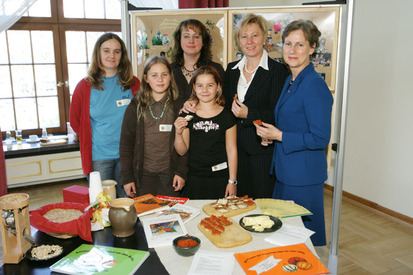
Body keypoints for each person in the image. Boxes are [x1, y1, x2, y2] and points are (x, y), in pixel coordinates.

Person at [254, 20, 333, 246]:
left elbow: (320, 138)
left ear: (312, 47)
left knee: (301, 242)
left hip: (303, 177)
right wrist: (271, 135)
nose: (292, 50)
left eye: (300, 45)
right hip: (286, 171)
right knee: (285, 239)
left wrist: (280, 136)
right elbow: (292, 125)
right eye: (288, 44)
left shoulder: (314, 85)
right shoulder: (291, 79)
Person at [222, 14, 289, 198]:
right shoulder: (231, 70)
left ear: (264, 38)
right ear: (238, 40)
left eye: (255, 35)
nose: (249, 41)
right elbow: (224, 108)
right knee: (238, 206)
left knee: (262, 206)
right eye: (244, 36)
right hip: (234, 150)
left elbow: (278, 114)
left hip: (262, 151)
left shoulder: (277, 71)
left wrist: (249, 114)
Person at [70, 33, 140, 198]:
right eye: (106, 50)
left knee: (128, 204)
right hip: (99, 158)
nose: (111, 55)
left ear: (122, 55)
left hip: (128, 156)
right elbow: (75, 122)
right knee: (103, 207)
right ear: (98, 54)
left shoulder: (133, 83)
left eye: (117, 51)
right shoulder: (84, 87)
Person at [119, 55, 187, 198]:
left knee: (170, 216)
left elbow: (186, 145)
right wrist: (127, 177)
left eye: (164, 74)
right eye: (154, 75)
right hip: (143, 176)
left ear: (170, 77)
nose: (160, 79)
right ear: (146, 78)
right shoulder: (135, 106)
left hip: (170, 175)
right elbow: (126, 144)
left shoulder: (179, 106)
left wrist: (181, 172)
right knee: (146, 215)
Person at [174, 66, 237, 199]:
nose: (205, 90)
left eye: (210, 85)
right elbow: (182, 150)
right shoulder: (187, 114)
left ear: (218, 87)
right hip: (194, 178)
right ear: (194, 88)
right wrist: (178, 133)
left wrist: (232, 181)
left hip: (220, 178)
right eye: (200, 85)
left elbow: (231, 150)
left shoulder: (227, 115)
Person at [171, 19, 225, 100]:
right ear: (179, 40)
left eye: (196, 37)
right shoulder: (169, 70)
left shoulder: (216, 69)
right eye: (186, 36)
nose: (191, 41)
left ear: (203, 41)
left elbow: (223, 102)